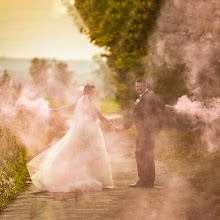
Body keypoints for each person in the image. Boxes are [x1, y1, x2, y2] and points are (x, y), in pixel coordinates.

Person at [27, 85, 117, 192]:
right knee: (92, 153)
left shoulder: (80, 101)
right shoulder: (90, 105)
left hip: (81, 132)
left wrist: (54, 111)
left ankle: (84, 176)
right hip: (89, 133)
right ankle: (91, 177)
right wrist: (114, 127)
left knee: (80, 153)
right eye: (92, 92)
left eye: (94, 92)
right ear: (86, 93)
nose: (94, 94)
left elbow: (67, 108)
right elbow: (102, 118)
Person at [117, 78, 167, 188]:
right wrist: (165, 107)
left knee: (144, 154)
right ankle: (145, 180)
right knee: (142, 154)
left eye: (140, 86)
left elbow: (137, 115)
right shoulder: (149, 94)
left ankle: (146, 181)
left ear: (145, 85)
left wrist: (124, 126)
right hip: (146, 131)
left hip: (147, 131)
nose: (138, 88)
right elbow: (157, 102)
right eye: (137, 86)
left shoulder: (147, 96)